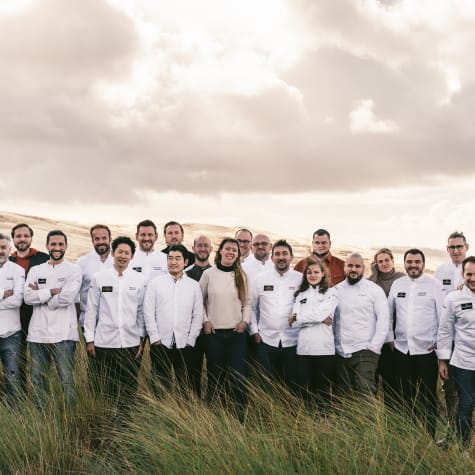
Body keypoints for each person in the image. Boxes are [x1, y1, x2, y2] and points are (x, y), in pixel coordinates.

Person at [388, 249, 444, 438]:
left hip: (426, 352)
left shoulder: (434, 285)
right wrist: (390, 337)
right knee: (404, 396)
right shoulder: (398, 284)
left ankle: (429, 437)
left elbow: (443, 317)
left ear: (423, 263)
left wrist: (439, 344)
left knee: (427, 397)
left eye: (417, 262)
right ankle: (407, 437)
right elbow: (388, 313)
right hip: (402, 351)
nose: (413, 265)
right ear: (404, 263)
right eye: (409, 262)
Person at [84, 236, 146, 408]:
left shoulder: (139, 280)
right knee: (103, 387)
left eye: (127, 253)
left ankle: (125, 422)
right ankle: (103, 418)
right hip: (104, 343)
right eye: (120, 252)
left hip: (130, 344)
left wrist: (141, 338)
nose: (123, 256)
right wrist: (90, 340)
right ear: (113, 253)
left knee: (128, 390)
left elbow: (141, 312)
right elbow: (91, 311)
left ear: (132, 256)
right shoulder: (99, 278)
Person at [24, 230, 82, 408]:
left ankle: (70, 416)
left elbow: (67, 298)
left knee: (66, 379)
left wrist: (41, 294)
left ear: (66, 246)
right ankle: (42, 416)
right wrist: (51, 291)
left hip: (64, 335)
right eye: (53, 244)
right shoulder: (36, 270)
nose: (57, 248)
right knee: (38, 378)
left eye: (60, 244)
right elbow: (27, 297)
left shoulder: (74, 270)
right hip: (38, 334)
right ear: (47, 246)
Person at [200, 237, 250, 417]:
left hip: (237, 335)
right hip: (214, 335)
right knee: (215, 377)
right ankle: (214, 416)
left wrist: (244, 321)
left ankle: (239, 417)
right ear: (220, 251)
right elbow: (199, 301)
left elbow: (247, 303)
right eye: (227, 248)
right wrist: (205, 321)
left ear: (238, 254)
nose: (231, 252)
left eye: (234, 250)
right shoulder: (208, 274)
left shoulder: (242, 275)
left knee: (238, 377)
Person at [144, 244, 203, 394]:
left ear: (186, 262)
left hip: (185, 344)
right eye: (170, 258)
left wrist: (191, 339)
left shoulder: (194, 286)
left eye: (177, 258)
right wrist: (154, 338)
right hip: (160, 342)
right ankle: (158, 407)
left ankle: (182, 408)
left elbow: (198, 314)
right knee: (160, 384)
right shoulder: (155, 283)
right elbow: (148, 312)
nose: (173, 262)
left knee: (185, 385)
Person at [334, 253, 389, 396]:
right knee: (344, 395)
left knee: (365, 392)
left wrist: (374, 347)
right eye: (350, 266)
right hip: (341, 352)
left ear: (363, 268)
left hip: (365, 350)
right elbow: (332, 321)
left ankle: (370, 413)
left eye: (357, 266)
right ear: (344, 267)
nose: (354, 269)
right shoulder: (335, 290)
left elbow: (384, 320)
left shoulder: (374, 290)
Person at [250, 239, 302, 391]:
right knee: (266, 385)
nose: (281, 257)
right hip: (266, 340)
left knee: (292, 386)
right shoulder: (260, 279)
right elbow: (252, 307)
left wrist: (297, 321)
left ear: (291, 257)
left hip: (293, 341)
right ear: (272, 258)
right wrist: (254, 331)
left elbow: (305, 306)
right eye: (277, 254)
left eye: (285, 254)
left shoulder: (300, 279)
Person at [290, 258, 338, 406]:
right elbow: (293, 323)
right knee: (304, 393)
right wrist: (318, 319)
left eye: (316, 272)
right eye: (309, 272)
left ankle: (324, 419)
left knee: (323, 394)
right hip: (303, 350)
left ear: (323, 274)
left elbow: (313, 316)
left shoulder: (331, 292)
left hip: (324, 350)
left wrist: (301, 318)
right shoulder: (300, 294)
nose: (312, 275)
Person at [438, 256, 475, 447]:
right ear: (463, 275)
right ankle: (463, 447)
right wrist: (443, 360)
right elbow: (445, 330)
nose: (473, 278)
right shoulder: (454, 298)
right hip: (464, 363)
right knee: (465, 405)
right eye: (469, 274)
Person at [435, 231, 469, 435]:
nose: (456, 250)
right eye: (452, 247)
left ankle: (467, 433)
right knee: (449, 388)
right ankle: (451, 431)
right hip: (448, 340)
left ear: (467, 247)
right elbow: (437, 305)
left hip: (469, 340)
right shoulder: (440, 271)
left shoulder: (472, 271)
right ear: (447, 249)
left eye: (459, 246)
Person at [9, 223, 49, 392]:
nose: (22, 239)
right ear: (13, 239)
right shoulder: (7, 261)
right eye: (18, 236)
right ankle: (21, 395)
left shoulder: (44, 258)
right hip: (13, 319)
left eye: (26, 236)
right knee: (17, 360)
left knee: (40, 361)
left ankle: (42, 395)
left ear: (31, 238)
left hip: (39, 318)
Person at [368, 248, 404, 400]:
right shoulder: (372, 280)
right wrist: (374, 273)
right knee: (373, 373)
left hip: (396, 333)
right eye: (380, 261)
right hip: (376, 332)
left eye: (387, 260)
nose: (384, 264)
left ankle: (392, 407)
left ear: (393, 261)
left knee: (391, 375)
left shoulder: (401, 278)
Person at [186, 235, 213, 396]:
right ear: (193, 248)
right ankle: (192, 402)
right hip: (192, 331)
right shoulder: (186, 274)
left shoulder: (216, 272)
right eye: (199, 245)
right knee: (192, 370)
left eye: (206, 246)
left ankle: (212, 402)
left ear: (211, 249)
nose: (203, 249)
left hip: (213, 330)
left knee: (214, 370)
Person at [0, 233, 25, 405]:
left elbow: (17, 301)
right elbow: (11, 299)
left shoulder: (18, 271)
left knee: (13, 376)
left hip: (11, 334)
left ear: (10, 249)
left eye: (3, 247)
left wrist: (9, 297)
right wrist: (3, 294)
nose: (0, 251)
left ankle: (15, 413)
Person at [76, 225, 114, 331]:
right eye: (97, 239)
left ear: (110, 239)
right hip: (88, 324)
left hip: (114, 325)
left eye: (104, 238)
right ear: (92, 241)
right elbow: (75, 294)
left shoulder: (120, 261)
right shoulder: (82, 263)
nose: (101, 241)